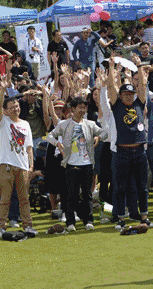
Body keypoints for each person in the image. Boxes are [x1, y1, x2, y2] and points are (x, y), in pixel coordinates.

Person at [103, 61, 153, 228]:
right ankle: (120, 219)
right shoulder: (116, 106)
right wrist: (111, 68)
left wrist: (139, 66)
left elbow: (143, 86)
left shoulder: (139, 103)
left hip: (139, 151)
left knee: (142, 188)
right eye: (124, 94)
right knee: (119, 187)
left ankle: (144, 217)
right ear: (121, 95)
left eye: (130, 94)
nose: (128, 96)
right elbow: (111, 87)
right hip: (122, 152)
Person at [47, 97, 106, 231]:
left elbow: (104, 133)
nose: (82, 110)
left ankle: (88, 221)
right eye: (79, 107)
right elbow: (50, 136)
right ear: (72, 109)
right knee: (70, 195)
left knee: (87, 195)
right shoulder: (64, 124)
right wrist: (57, 143)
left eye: (84, 108)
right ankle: (70, 222)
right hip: (70, 164)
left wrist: (98, 137)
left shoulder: (90, 124)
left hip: (86, 163)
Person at [0, 79, 38, 238]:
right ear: (5, 111)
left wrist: (31, 166)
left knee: (24, 199)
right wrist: (2, 91)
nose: (15, 109)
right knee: (4, 199)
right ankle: (1, 228)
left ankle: (28, 226)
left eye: (17, 107)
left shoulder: (25, 124)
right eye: (11, 108)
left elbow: (29, 147)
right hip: (6, 165)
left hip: (23, 166)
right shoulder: (3, 121)